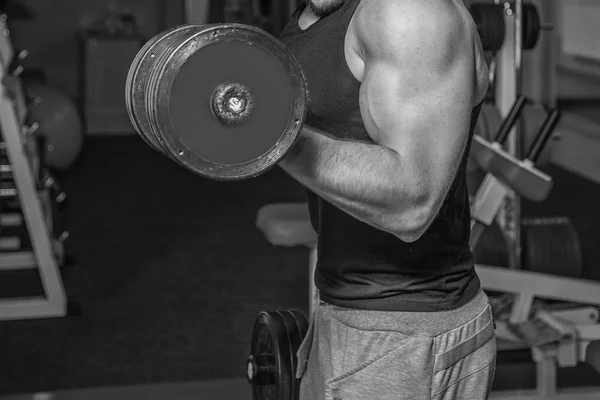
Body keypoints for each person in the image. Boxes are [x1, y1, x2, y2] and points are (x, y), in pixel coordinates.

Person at [276, 0, 496, 399]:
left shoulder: (409, 13)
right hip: (346, 310)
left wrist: (270, 135)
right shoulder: (314, 14)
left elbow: (413, 201)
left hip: (404, 333)